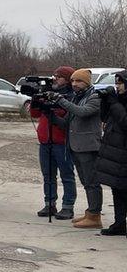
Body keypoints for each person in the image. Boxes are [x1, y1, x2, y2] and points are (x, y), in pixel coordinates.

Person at [48, 68, 103, 229]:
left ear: (87, 82)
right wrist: (50, 114)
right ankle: (90, 212)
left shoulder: (94, 97)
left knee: (92, 182)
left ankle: (95, 216)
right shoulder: (78, 98)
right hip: (76, 146)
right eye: (72, 81)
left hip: (88, 147)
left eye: (78, 81)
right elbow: (66, 123)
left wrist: (61, 101)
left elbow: (82, 112)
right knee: (86, 182)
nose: (74, 84)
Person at [29, 66, 76, 220]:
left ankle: (68, 206)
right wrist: (37, 100)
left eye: (59, 76)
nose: (55, 79)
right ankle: (49, 203)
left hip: (61, 142)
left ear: (68, 79)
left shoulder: (70, 97)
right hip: (45, 141)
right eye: (54, 76)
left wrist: (54, 106)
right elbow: (35, 113)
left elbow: (65, 120)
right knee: (48, 175)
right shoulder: (47, 93)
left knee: (66, 175)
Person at [96, 70, 127, 236]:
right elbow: (104, 117)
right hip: (116, 153)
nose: (117, 86)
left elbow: (124, 121)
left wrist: (114, 102)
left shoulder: (120, 102)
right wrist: (105, 102)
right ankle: (119, 223)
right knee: (117, 189)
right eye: (116, 83)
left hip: (123, 152)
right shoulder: (118, 100)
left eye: (120, 83)